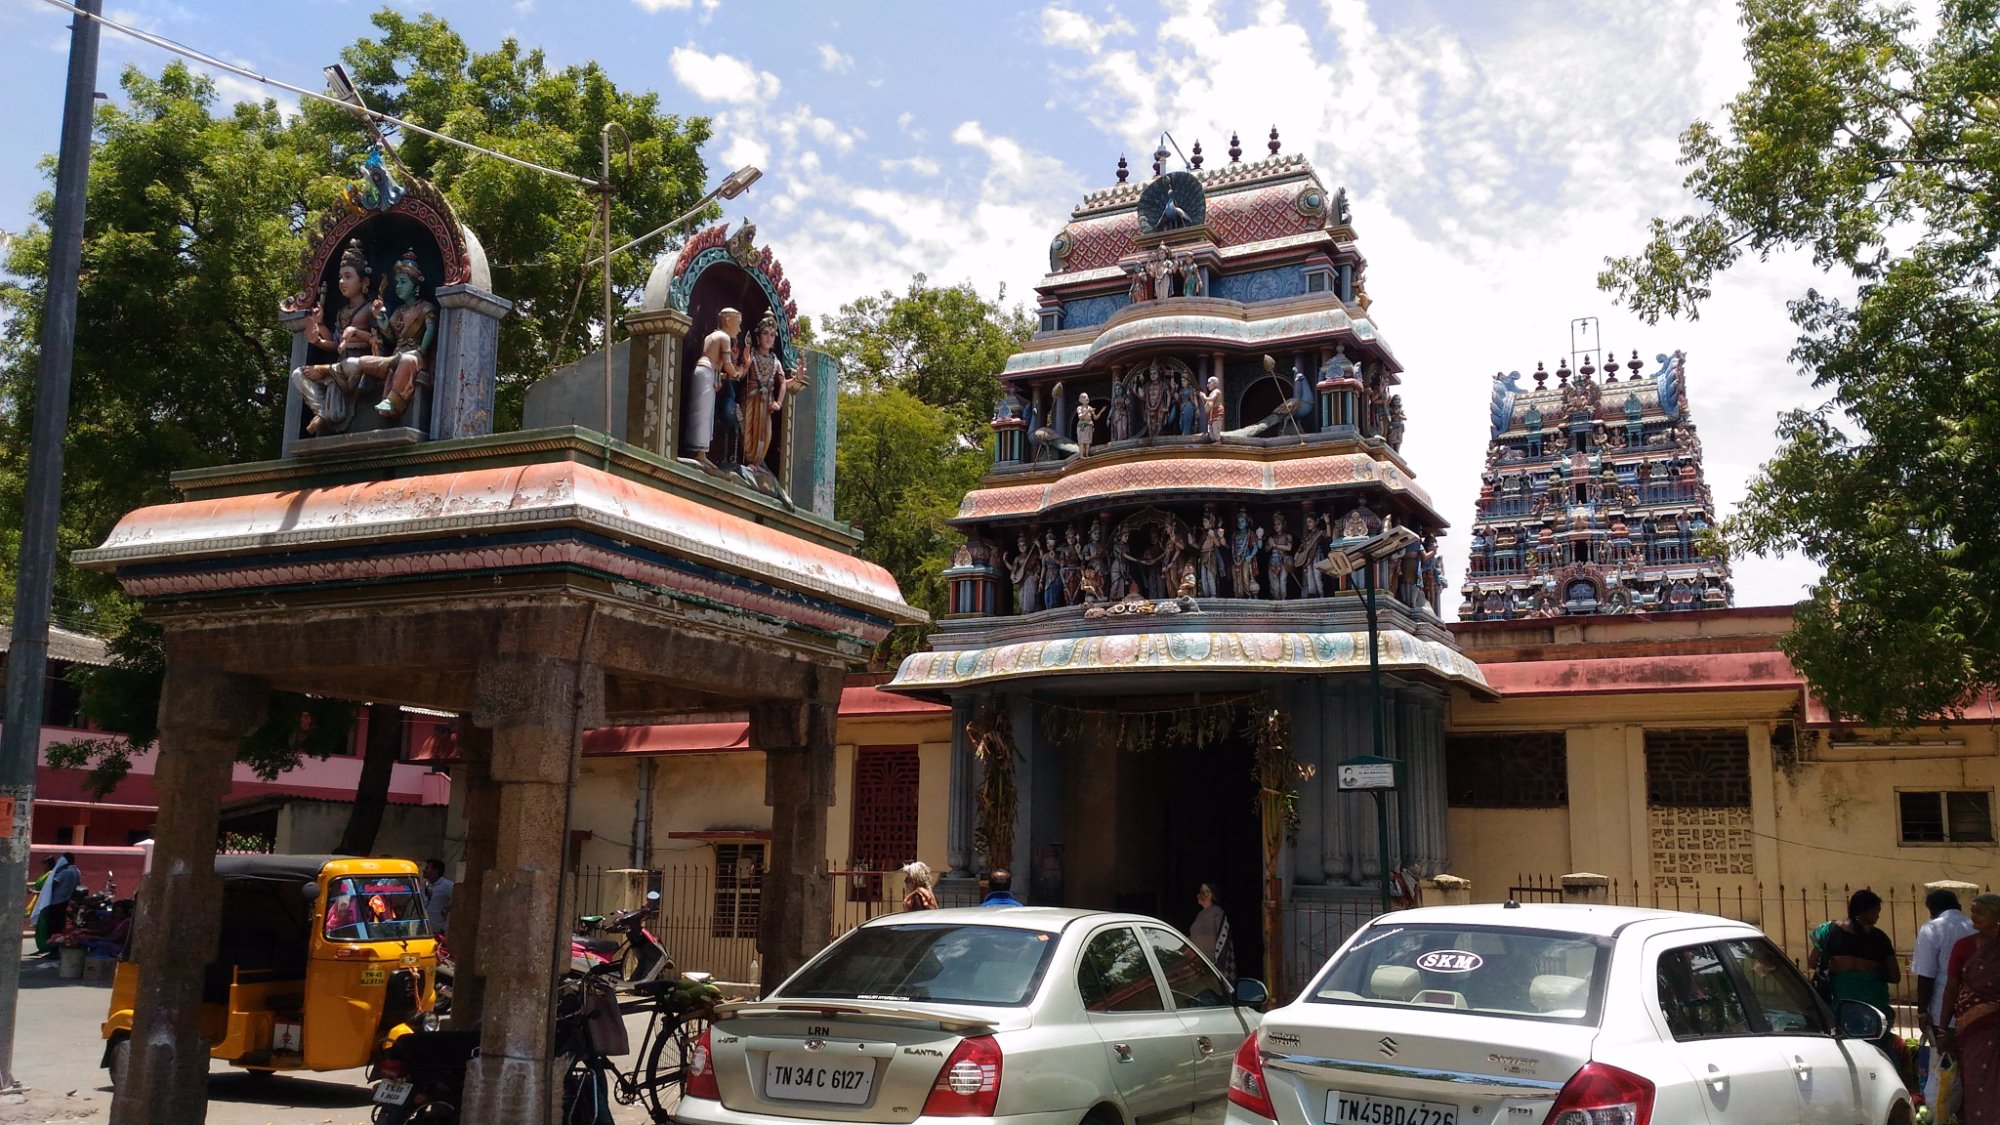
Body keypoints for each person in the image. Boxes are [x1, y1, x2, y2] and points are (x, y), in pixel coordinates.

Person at [1809, 889, 1901, 1055]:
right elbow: (1895, 976)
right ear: (1863, 910)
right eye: (1875, 911)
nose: (1878, 916)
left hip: (1840, 1009)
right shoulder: (1880, 939)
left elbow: (1812, 962)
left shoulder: (1828, 931)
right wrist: (1871, 969)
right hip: (1873, 1011)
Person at [1940, 893, 2000, 1125]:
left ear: (1996, 916)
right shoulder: (1963, 946)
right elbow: (1951, 987)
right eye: (1972, 911)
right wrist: (1943, 1027)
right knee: (1975, 1081)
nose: (1973, 916)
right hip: (1972, 1030)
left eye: (1980, 912)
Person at [1917, 887, 1979, 1110]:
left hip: (1945, 1009)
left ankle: (1945, 1111)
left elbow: (1925, 974)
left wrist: (1922, 1010)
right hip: (1976, 1008)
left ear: (1932, 910)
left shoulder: (1932, 928)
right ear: (1959, 906)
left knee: (1945, 1064)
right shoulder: (1976, 927)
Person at [33, 853, 79, 956]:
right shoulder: (76, 871)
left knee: (52, 927)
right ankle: (56, 950)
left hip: (55, 903)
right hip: (65, 901)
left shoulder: (65, 872)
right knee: (60, 926)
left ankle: (53, 950)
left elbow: (51, 886)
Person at [1191, 884, 1237, 983]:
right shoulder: (1200, 914)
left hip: (1212, 967)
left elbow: (1224, 940)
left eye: (1202, 892)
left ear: (1209, 895)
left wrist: (1217, 966)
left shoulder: (1218, 912)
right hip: (1198, 967)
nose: (1199, 895)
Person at [422, 858, 454, 937]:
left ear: (435, 870)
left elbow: (459, 900)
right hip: (423, 930)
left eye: (427, 868)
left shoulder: (447, 885)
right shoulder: (424, 885)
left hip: (438, 931)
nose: (424, 870)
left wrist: (449, 908)